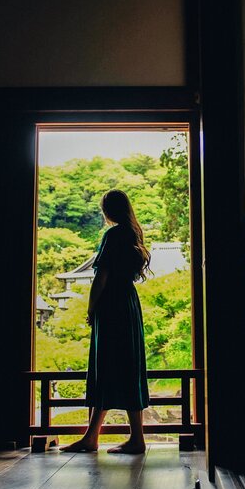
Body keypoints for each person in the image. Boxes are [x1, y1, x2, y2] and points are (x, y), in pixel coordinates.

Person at [61, 189, 151, 454]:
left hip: (111, 304)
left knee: (105, 365)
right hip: (129, 303)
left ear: (108, 211)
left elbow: (101, 277)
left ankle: (94, 438)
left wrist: (91, 308)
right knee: (128, 365)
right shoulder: (134, 234)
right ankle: (132, 437)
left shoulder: (112, 235)